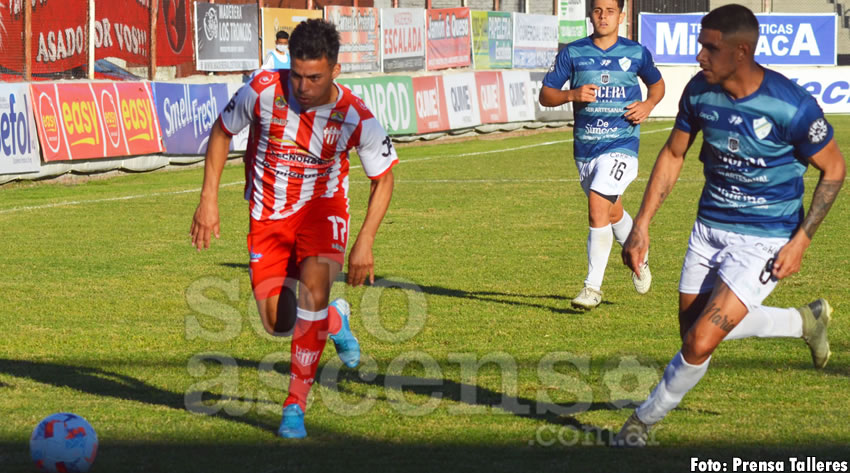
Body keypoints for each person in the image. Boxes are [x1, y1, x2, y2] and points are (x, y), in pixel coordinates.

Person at [614, 4, 845, 447]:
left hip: (766, 238)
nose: (700, 55)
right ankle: (805, 322)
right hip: (708, 229)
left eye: (709, 47)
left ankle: (641, 423)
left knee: (701, 341)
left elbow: (833, 169)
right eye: (701, 45)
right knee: (692, 336)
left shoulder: (790, 104)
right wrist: (642, 222)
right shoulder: (700, 92)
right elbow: (674, 154)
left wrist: (801, 240)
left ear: (741, 52)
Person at [190, 19, 398, 439]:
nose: (303, 87)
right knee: (278, 323)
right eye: (298, 76)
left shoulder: (356, 117)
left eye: (314, 78)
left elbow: (384, 177)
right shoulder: (263, 89)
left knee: (313, 292)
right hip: (268, 216)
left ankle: (293, 407)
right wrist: (208, 199)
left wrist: (365, 241)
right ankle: (335, 322)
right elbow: (222, 130)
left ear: (335, 70)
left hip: (323, 211)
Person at [539, 0, 665, 310]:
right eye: (597, 10)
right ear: (590, 14)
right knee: (610, 212)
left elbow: (658, 86)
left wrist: (648, 106)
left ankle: (592, 288)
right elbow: (545, 94)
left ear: (621, 16)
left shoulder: (636, 53)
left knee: (597, 204)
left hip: (622, 145)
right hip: (585, 150)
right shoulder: (573, 52)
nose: (603, 16)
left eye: (610, 11)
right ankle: (640, 255)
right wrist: (571, 94)